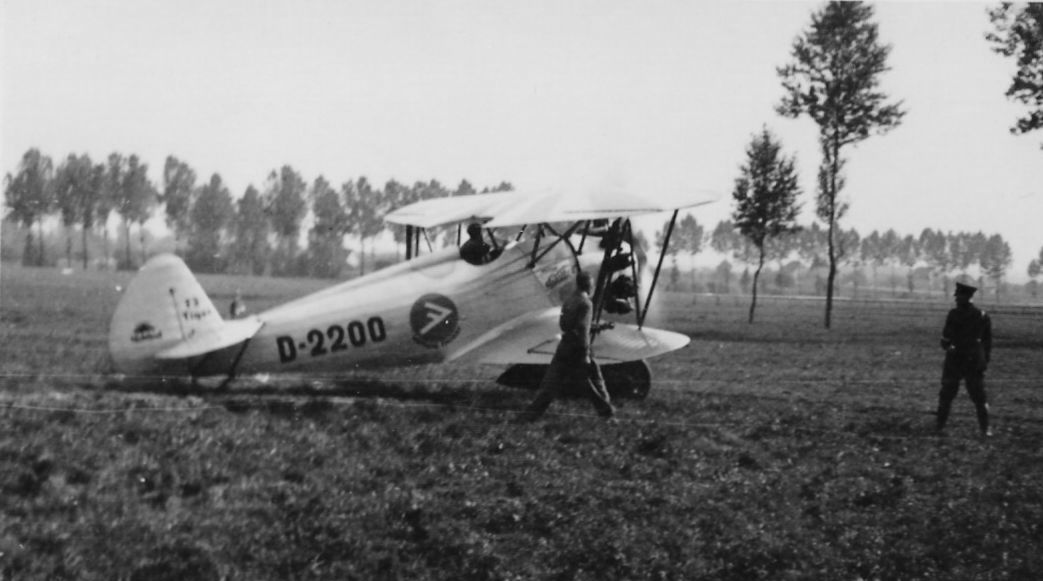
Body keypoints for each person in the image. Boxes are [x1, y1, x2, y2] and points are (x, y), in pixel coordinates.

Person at [520, 271, 615, 421]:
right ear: (589, 285)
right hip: (579, 349)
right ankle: (607, 413)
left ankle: (530, 415)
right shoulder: (586, 303)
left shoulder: (569, 300)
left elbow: (566, 325)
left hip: (565, 346)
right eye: (592, 285)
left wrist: (599, 327)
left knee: (550, 384)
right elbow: (582, 328)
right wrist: (585, 354)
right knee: (594, 381)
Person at [936, 282, 992, 436]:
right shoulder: (982, 315)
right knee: (978, 397)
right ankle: (985, 429)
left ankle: (939, 426)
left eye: (958, 296)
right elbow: (987, 344)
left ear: (967, 297)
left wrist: (948, 346)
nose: (956, 299)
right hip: (972, 361)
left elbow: (945, 340)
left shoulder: (954, 314)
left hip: (956, 360)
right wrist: (984, 361)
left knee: (947, 395)